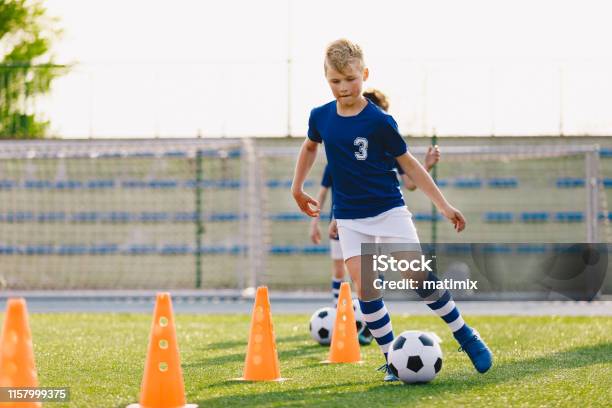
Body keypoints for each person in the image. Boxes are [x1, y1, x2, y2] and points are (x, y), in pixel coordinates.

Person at [291, 39, 492, 381]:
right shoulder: (320, 116)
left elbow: (409, 165)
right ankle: (391, 361)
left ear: (364, 75)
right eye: (335, 81)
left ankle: (464, 333)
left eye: (351, 79)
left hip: (389, 212)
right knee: (365, 289)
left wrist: (443, 204)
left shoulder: (379, 121)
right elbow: (310, 147)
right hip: (351, 219)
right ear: (327, 79)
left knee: (417, 277)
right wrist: (297, 188)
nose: (343, 88)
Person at [309, 88, 441, 306]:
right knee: (348, 273)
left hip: (384, 214)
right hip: (347, 219)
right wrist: (326, 219)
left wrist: (426, 165)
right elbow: (328, 190)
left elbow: (409, 182)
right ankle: (343, 314)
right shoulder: (339, 151)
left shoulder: (387, 144)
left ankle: (364, 322)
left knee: (381, 274)